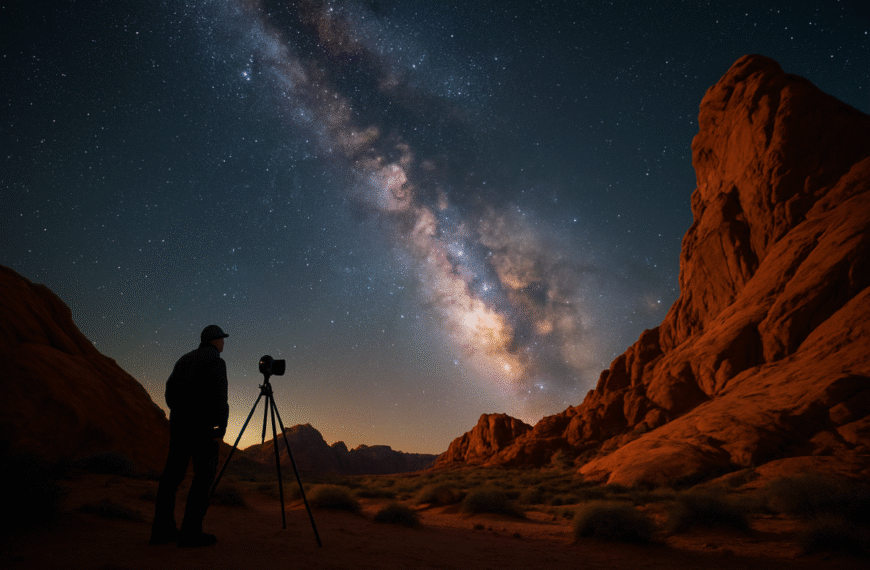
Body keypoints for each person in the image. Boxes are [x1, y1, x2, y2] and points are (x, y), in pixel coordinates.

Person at [149, 325, 230, 547]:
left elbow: (169, 391)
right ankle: (190, 533)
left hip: (180, 428)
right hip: (203, 430)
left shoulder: (185, 359)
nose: (224, 343)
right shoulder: (216, 362)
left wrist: (180, 414)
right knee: (203, 479)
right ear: (214, 340)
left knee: (171, 478)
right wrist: (219, 429)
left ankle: (161, 531)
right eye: (222, 339)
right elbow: (219, 398)